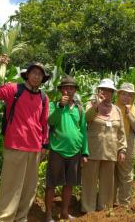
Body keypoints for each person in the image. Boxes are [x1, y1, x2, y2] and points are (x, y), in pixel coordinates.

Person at [0, 54, 50, 222]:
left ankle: (21, 217)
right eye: (34, 73)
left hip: (35, 148)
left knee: (29, 188)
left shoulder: (44, 98)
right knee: (11, 186)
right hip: (15, 146)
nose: (37, 76)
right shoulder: (14, 89)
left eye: (40, 74)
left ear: (43, 78)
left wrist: (45, 144)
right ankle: (3, 218)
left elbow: (44, 123)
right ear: (27, 75)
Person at [45, 75, 89, 221]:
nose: (68, 91)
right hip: (57, 150)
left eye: (71, 88)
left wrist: (85, 152)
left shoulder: (80, 109)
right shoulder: (54, 105)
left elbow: (83, 130)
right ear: (61, 90)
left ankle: (64, 212)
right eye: (65, 88)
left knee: (69, 184)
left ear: (75, 90)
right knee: (51, 184)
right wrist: (60, 107)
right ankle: (49, 214)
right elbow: (51, 121)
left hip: (75, 151)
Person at [81, 78, 127, 213]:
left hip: (111, 152)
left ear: (113, 93)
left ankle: (104, 209)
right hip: (93, 151)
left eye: (109, 91)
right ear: (98, 91)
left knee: (107, 183)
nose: (106, 93)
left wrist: (122, 149)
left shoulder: (117, 110)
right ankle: (88, 209)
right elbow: (86, 119)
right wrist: (97, 104)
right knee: (89, 181)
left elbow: (121, 132)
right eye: (103, 90)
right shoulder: (91, 105)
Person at [114, 83, 135, 206]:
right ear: (119, 94)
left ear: (133, 97)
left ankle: (123, 203)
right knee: (111, 174)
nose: (126, 97)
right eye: (124, 94)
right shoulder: (111, 108)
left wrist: (129, 114)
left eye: (130, 95)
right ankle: (109, 202)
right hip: (112, 142)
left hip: (128, 144)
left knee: (126, 175)